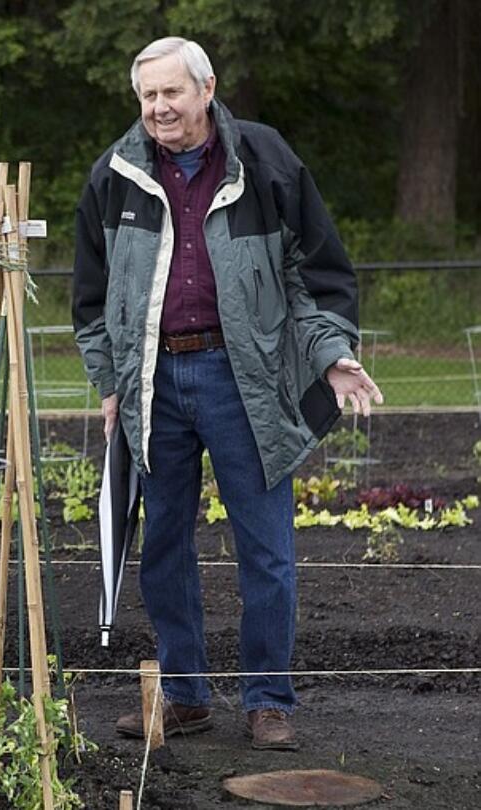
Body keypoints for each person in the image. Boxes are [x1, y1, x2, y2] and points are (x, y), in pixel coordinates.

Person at [72, 36, 383, 751]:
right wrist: (111, 381)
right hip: (154, 382)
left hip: (243, 380)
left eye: (171, 93)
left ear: (206, 89)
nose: (158, 108)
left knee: (266, 549)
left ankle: (268, 700)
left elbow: (318, 274)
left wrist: (332, 355)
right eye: (147, 96)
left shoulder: (265, 160)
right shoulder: (116, 175)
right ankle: (184, 696)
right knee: (164, 548)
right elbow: (91, 298)